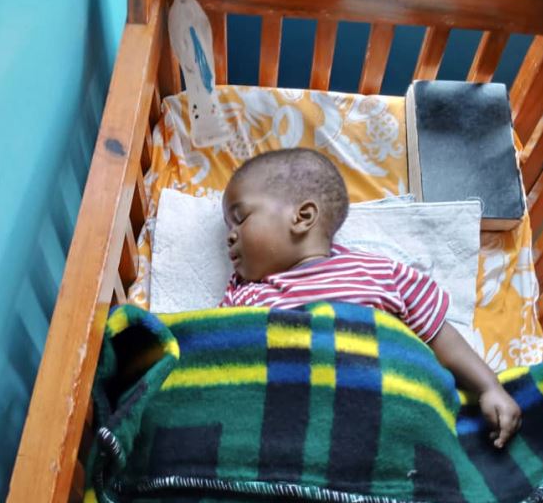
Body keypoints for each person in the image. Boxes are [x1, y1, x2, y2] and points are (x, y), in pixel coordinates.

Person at [219, 148, 521, 448]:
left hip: (388, 414)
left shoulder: (381, 272)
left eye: (240, 218)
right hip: (293, 428)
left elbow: (439, 335)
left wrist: (488, 387)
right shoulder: (246, 295)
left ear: (303, 217)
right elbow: (215, 354)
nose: (230, 236)